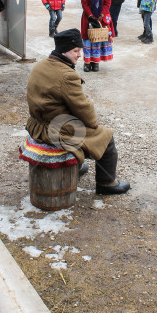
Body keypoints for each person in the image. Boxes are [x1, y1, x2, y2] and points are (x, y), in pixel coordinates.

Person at [26, 29, 130, 195]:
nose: (79, 55)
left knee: (76, 124)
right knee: (106, 137)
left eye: (79, 50)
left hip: (36, 125)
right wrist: (93, 124)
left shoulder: (41, 66)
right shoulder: (67, 75)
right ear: (63, 51)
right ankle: (107, 183)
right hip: (54, 131)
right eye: (75, 51)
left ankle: (78, 166)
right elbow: (83, 108)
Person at [81, 0, 114, 72]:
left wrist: (102, 14)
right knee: (89, 39)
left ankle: (96, 63)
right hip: (88, 17)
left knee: (99, 39)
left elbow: (107, 2)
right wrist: (90, 15)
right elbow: (84, 3)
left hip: (102, 17)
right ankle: (87, 63)